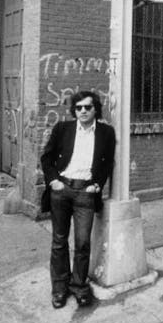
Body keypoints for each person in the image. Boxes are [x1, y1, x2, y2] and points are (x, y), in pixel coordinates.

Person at [40, 91, 116, 309]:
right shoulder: (62, 129)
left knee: (83, 243)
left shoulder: (106, 133)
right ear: (74, 110)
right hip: (62, 190)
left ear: (95, 109)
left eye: (87, 107)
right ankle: (59, 289)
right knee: (59, 241)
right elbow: (47, 157)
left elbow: (107, 163)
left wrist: (97, 185)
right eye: (78, 108)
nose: (82, 111)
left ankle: (79, 286)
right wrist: (54, 181)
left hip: (86, 193)